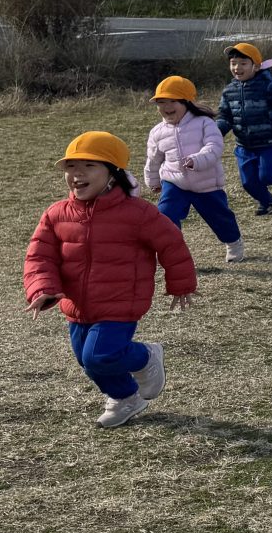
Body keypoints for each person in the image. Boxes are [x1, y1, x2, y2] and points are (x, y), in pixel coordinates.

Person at [24, 131, 196, 429]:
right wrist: (43, 289)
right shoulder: (56, 214)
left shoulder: (137, 213)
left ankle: (145, 357)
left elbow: (171, 244)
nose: (77, 174)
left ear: (113, 173)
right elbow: (39, 256)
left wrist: (181, 284)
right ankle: (125, 397)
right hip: (78, 305)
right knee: (87, 361)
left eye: (89, 166)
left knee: (99, 355)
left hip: (121, 302)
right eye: (71, 167)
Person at [144, 76, 244, 263]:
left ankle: (233, 242)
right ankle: (170, 251)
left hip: (206, 183)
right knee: (165, 215)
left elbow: (214, 147)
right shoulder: (157, 132)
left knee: (220, 218)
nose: (166, 107)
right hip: (174, 182)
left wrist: (196, 160)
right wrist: (153, 180)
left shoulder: (205, 123)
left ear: (186, 102)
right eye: (161, 102)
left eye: (172, 101)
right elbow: (153, 159)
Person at [217, 42, 272, 216]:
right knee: (248, 182)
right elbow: (225, 116)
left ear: (255, 67)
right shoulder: (229, 91)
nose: (237, 68)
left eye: (243, 63)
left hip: (268, 141)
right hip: (243, 145)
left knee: (267, 176)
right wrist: (217, 133)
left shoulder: (267, 87)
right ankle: (267, 203)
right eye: (233, 63)